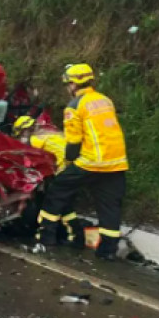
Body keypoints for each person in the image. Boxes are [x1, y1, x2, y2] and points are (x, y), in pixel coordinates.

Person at [35, 63, 129, 260]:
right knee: (109, 206)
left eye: (68, 84)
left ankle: (47, 237)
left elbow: (74, 142)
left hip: (91, 162)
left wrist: (69, 162)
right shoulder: (105, 100)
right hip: (116, 162)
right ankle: (107, 252)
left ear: (73, 84)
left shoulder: (74, 106)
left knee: (57, 189)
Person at [13, 115, 85, 246]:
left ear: (24, 131)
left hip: (66, 171)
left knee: (51, 203)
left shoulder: (35, 140)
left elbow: (28, 159)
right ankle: (76, 236)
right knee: (65, 205)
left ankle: (47, 239)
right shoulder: (50, 133)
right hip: (80, 168)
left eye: (20, 134)